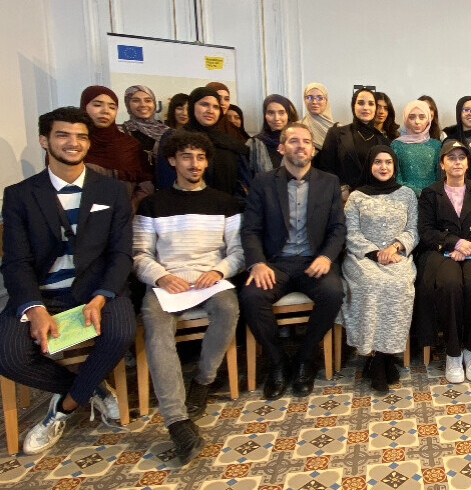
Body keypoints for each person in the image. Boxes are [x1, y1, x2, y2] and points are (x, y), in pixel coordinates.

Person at [0, 106, 134, 454]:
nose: (73, 143)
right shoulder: (21, 194)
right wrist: (34, 308)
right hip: (42, 293)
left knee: (121, 332)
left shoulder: (112, 191)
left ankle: (63, 409)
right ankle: (92, 388)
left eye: (81, 136)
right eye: (63, 135)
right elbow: (16, 262)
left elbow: (121, 254)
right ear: (45, 140)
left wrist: (101, 296)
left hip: (96, 290)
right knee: (5, 357)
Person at [133, 131, 243, 464]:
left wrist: (220, 271)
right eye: (186, 157)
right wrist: (161, 276)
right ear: (172, 160)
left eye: (200, 157)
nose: (194, 164)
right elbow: (139, 254)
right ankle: (176, 419)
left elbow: (238, 252)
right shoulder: (153, 204)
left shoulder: (225, 202)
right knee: (157, 329)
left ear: (206, 162)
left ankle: (203, 380)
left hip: (210, 280)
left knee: (229, 310)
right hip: (167, 283)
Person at [239, 123, 346, 398]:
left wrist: (326, 257)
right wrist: (257, 263)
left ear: (313, 149)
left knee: (333, 293)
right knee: (251, 296)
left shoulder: (329, 182)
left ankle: (304, 359)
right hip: (275, 264)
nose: (301, 146)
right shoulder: (263, 182)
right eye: (294, 141)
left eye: (306, 141)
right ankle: (277, 362)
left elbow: (337, 228)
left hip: (314, 261)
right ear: (281, 147)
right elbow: (250, 229)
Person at [415, 140, 471, 383]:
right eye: (451, 157)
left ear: (467, 164)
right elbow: (425, 230)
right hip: (440, 252)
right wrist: (454, 243)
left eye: (461, 158)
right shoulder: (430, 193)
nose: (457, 162)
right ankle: (453, 353)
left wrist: (470, 245)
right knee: (449, 284)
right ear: (442, 164)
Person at [341, 146, 418, 392]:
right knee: (372, 284)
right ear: (369, 166)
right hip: (362, 258)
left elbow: (413, 230)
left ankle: (385, 357)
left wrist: (395, 247)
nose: (383, 167)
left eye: (388, 162)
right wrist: (375, 253)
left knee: (399, 285)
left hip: (397, 256)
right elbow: (351, 233)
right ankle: (373, 355)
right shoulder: (357, 197)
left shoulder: (407, 194)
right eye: (377, 162)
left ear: (395, 166)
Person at [156, 87, 251, 201]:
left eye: (215, 107)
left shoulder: (231, 143)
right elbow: (166, 180)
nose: (210, 110)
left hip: (226, 208)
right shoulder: (175, 139)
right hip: (184, 206)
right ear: (192, 106)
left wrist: (234, 205)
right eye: (204, 104)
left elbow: (243, 183)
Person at [80, 85, 153, 209]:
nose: (106, 111)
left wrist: (129, 210)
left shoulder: (130, 145)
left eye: (112, 107)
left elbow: (145, 183)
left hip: (126, 214)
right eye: (97, 105)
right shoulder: (74, 145)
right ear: (84, 106)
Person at [318, 87, 391, 198]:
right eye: (361, 103)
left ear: (375, 108)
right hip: (343, 199)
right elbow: (325, 167)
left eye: (371, 104)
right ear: (353, 106)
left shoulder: (383, 140)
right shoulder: (336, 133)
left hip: (374, 200)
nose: (366, 107)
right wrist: (341, 188)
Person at [391, 100, 441, 195]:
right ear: (406, 120)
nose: (417, 121)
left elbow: (439, 175)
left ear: (428, 120)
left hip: (432, 196)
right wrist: (415, 192)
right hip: (405, 196)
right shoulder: (396, 145)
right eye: (412, 117)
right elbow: (396, 176)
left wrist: (429, 193)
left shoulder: (436, 145)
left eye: (422, 117)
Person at [120, 85, 170, 167]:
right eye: (136, 100)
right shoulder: (121, 133)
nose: (143, 104)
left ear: (154, 104)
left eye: (148, 100)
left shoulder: (168, 133)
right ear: (128, 104)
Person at [247, 94, 298, 175]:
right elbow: (246, 176)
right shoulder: (254, 144)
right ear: (265, 115)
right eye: (271, 113)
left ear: (288, 115)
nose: (276, 118)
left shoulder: (299, 142)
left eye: (281, 113)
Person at [302, 82, 336, 150]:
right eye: (309, 97)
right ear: (304, 100)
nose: (314, 102)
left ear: (326, 101)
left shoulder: (338, 129)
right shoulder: (299, 126)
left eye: (320, 98)